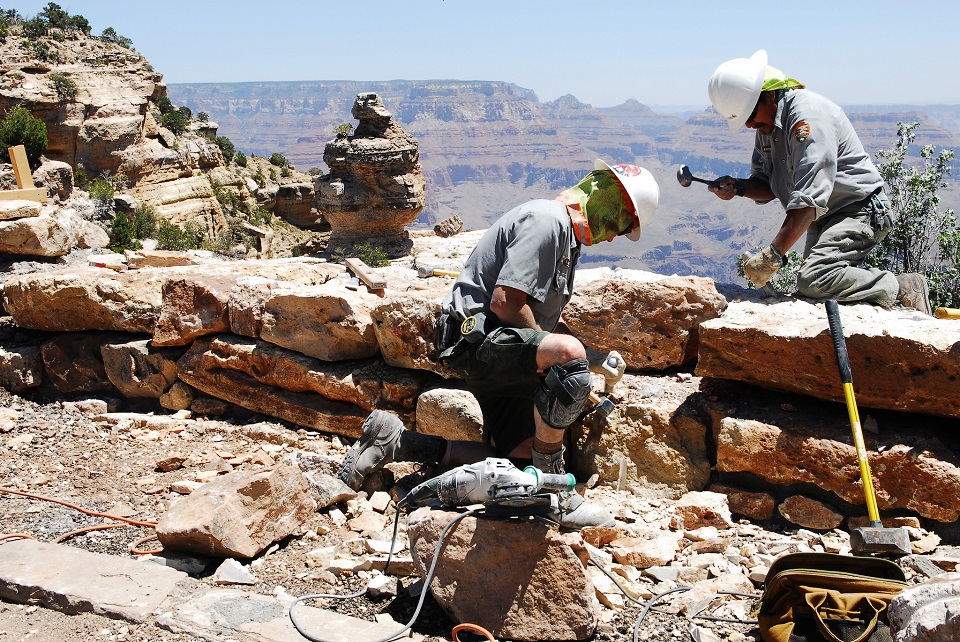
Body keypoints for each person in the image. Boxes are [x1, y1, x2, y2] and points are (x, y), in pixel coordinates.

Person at [339, 159, 660, 530]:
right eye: (622, 219)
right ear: (602, 193)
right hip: (476, 338)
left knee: (516, 469)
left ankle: (395, 441)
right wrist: (566, 362)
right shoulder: (548, 221)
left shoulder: (566, 239)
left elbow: (539, 319)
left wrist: (590, 357)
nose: (617, 233)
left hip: (498, 343)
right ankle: (554, 494)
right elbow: (506, 303)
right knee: (568, 360)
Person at [706, 49, 931, 315]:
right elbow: (768, 185)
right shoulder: (767, 126)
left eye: (750, 115)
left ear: (768, 95)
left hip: (859, 209)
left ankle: (903, 287)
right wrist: (738, 187)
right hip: (826, 216)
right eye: (744, 119)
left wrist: (771, 256)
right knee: (812, 289)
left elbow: (809, 198)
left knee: (814, 279)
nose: (749, 125)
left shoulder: (807, 117)